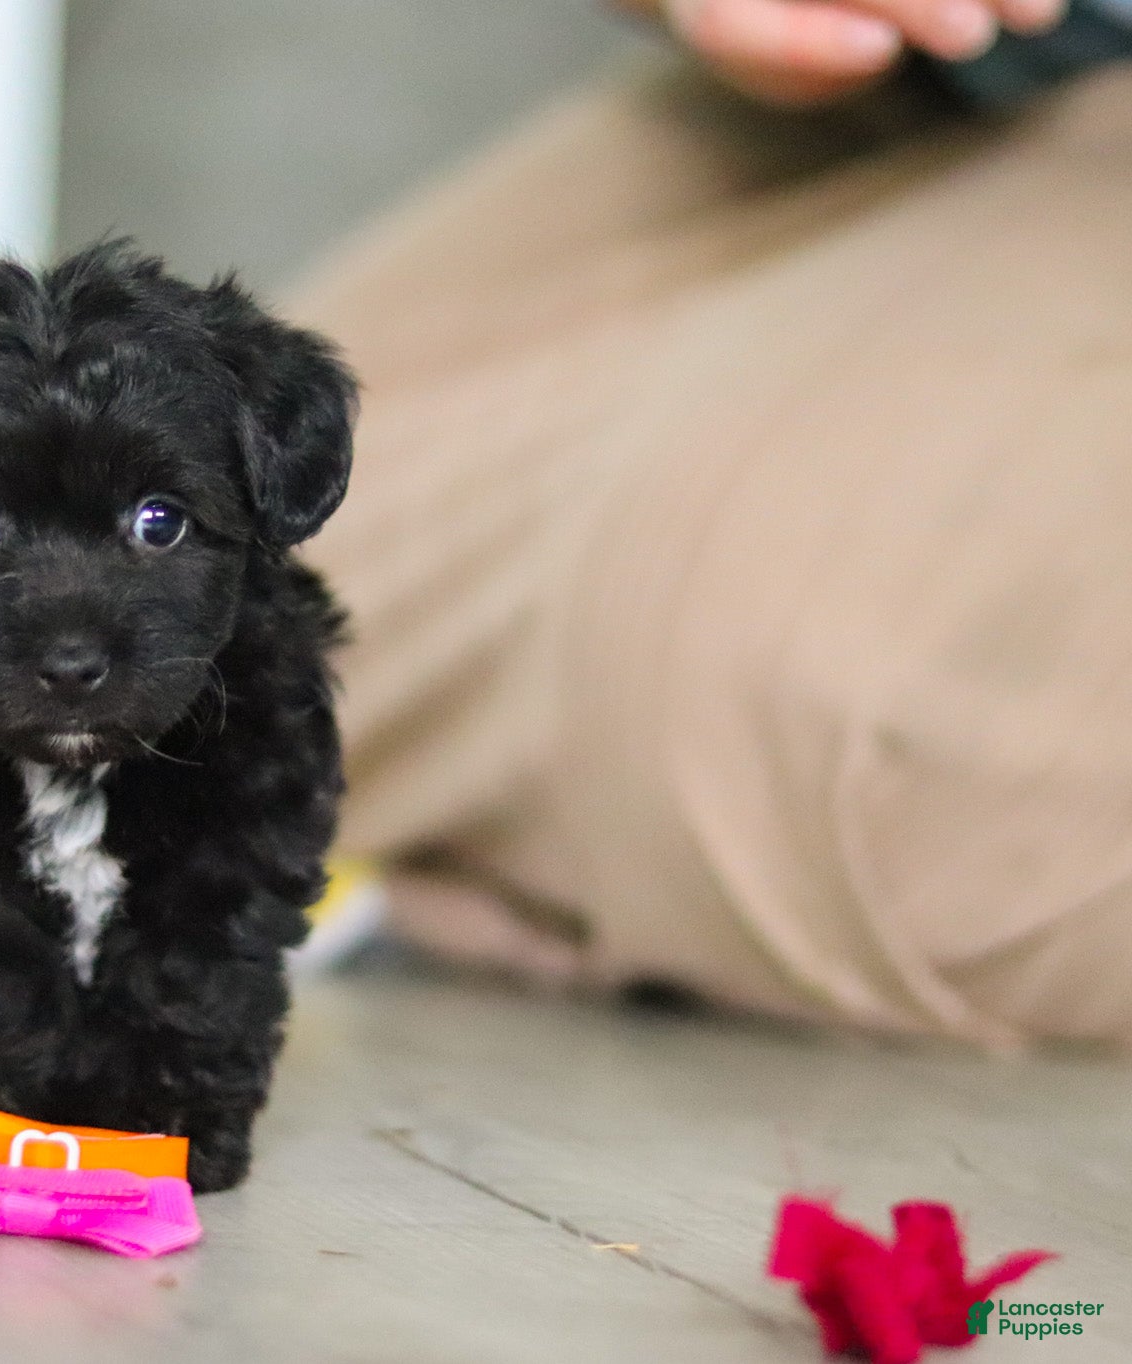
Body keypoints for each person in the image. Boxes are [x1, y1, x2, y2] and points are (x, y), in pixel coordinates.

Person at [291, 0, 1132, 1046]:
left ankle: (499, 872)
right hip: (1005, 75)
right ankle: (526, 878)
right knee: (256, 528)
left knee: (837, 751)